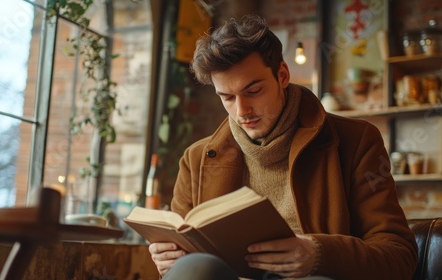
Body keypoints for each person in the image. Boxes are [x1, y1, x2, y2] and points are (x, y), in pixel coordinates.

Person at [148, 14, 418, 280]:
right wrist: (171, 261)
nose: (242, 111)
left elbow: (399, 257)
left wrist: (320, 254)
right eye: (227, 97)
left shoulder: (356, 141)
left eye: (253, 91)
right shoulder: (196, 159)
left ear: (283, 75)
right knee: (195, 269)